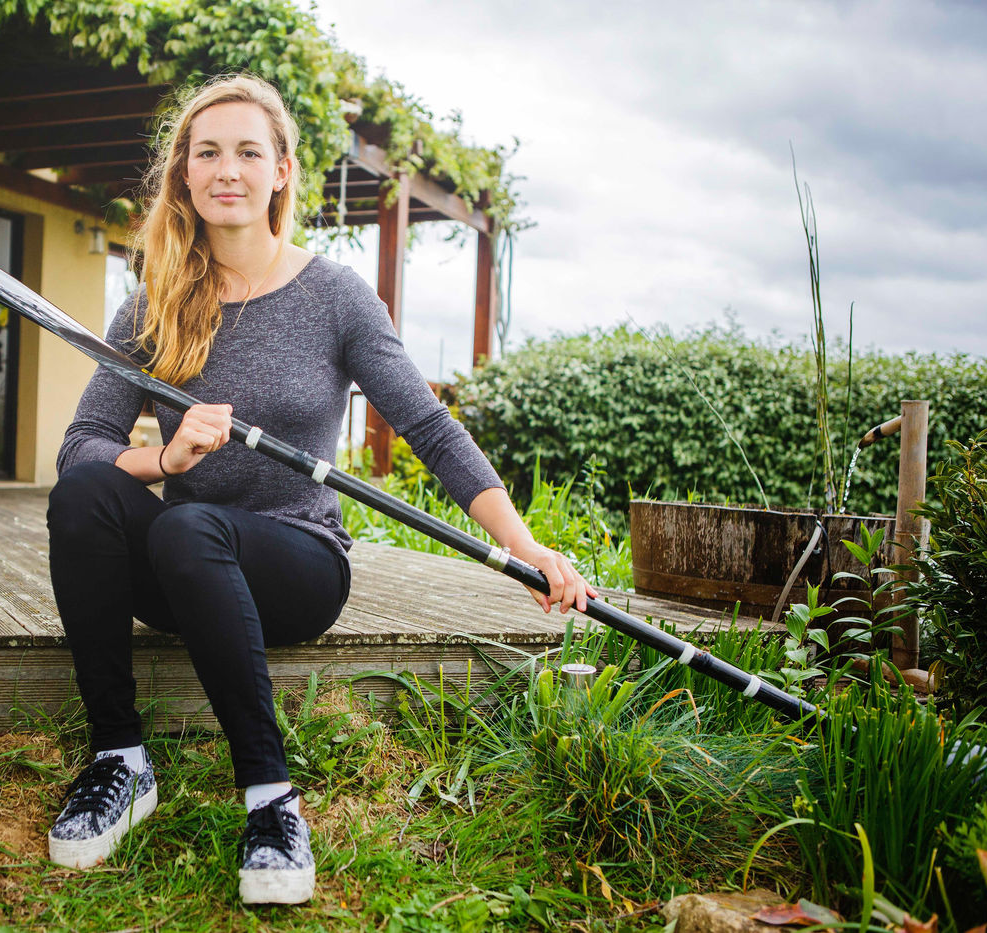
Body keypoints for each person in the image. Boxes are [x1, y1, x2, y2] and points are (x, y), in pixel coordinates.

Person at [45, 73, 595, 906]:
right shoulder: (154, 302)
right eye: (208, 153)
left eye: (248, 152)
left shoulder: (334, 295)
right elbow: (81, 446)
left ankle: (271, 801)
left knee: (189, 529)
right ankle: (119, 758)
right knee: (90, 493)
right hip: (183, 567)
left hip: (297, 565)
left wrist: (524, 544)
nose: (227, 169)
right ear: (185, 174)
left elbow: (430, 429)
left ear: (281, 171)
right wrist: (166, 459)